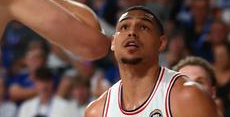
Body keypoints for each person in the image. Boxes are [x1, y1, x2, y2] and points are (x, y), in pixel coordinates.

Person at [85, 6, 217, 117]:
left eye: (143, 27)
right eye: (124, 27)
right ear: (113, 42)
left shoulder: (188, 97)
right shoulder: (96, 112)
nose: (132, 32)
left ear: (161, 43)